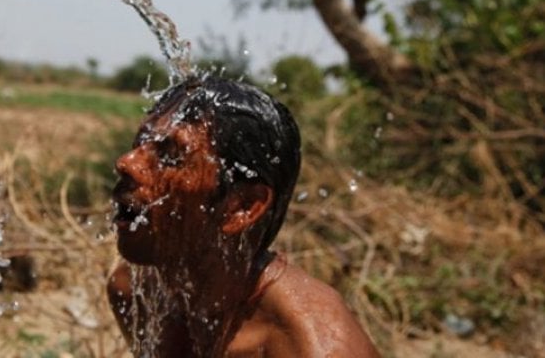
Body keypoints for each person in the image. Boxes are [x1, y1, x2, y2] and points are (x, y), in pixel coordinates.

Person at [107, 75, 379, 357]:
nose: (126, 163)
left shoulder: (314, 346)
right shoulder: (137, 292)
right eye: (142, 142)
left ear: (243, 207)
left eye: (172, 155)